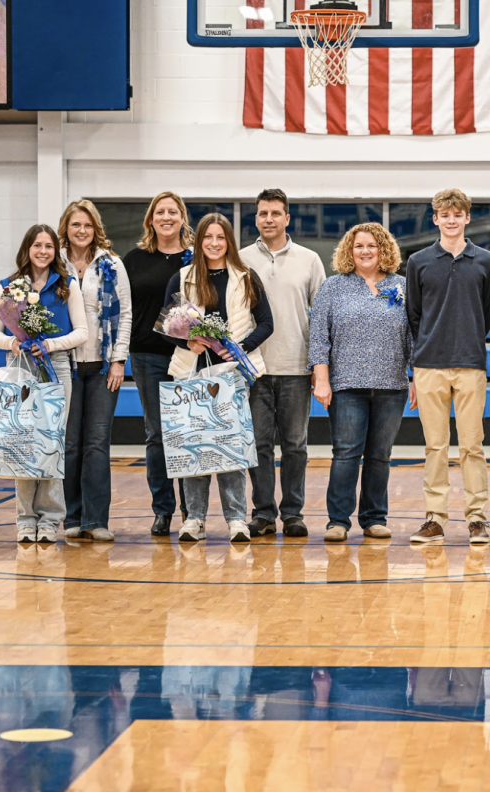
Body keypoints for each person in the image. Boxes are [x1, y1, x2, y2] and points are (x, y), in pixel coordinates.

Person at [164, 214, 274, 544]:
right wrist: (188, 343)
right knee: (193, 450)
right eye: (208, 237)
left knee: (232, 450)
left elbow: (267, 323)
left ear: (229, 241)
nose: (214, 243)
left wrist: (239, 348)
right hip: (191, 373)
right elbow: (165, 327)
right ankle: (194, 520)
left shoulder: (245, 276)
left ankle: (237, 520)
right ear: (199, 242)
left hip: (233, 376)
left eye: (221, 237)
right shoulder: (182, 278)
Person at [308, 222, 413, 543]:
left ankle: (374, 518)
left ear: (384, 250)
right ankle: (338, 521)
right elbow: (318, 336)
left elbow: (414, 335)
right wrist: (321, 380)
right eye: (359, 246)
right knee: (346, 454)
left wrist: (416, 377)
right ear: (348, 252)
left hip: (392, 385)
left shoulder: (403, 286)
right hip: (346, 385)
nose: (365, 251)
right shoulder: (333, 287)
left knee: (380, 455)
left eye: (372, 246)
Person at [405, 189, 490, 545]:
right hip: (429, 365)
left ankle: (476, 518)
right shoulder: (419, 261)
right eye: (445, 214)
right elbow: (413, 316)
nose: (451, 219)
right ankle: (435, 519)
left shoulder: (486, 260)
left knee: (473, 446)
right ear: (436, 219)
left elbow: (487, 312)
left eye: (458, 214)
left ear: (467, 218)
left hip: (470, 364)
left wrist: (467, 337)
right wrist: (420, 358)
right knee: (436, 446)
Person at [0, 225, 89, 543]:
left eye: (48, 245)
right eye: (37, 245)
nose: (43, 251)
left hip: (56, 367)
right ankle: (25, 518)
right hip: (20, 366)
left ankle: (49, 519)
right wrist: (13, 344)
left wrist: (51, 345)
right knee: (22, 445)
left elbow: (82, 332)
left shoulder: (66, 285)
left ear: (55, 251)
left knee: (50, 444)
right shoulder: (9, 287)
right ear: (27, 249)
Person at [239, 188, 326, 539]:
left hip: (296, 368)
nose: (269, 219)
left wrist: (319, 367)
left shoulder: (309, 259)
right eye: (263, 213)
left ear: (287, 218)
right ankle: (262, 513)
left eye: (276, 213)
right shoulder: (241, 258)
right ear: (256, 218)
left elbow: (321, 318)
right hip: (254, 369)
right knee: (258, 445)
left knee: (295, 446)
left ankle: (293, 513)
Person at [58, 200, 133, 543]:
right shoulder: (55, 263)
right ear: (66, 228)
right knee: (70, 445)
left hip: (102, 367)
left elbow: (126, 314)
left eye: (87, 225)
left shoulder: (112, 263)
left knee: (97, 445)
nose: (82, 230)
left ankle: (96, 520)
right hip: (65, 366)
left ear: (96, 228)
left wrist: (118, 360)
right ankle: (72, 518)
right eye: (76, 225)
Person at [123, 191, 192, 536]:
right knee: (157, 435)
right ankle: (163, 509)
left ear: (182, 218)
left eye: (173, 212)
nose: (166, 217)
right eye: (160, 212)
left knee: (189, 433)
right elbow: (121, 310)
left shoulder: (196, 259)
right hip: (147, 355)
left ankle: (193, 511)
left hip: (188, 355)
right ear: (151, 219)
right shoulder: (134, 259)